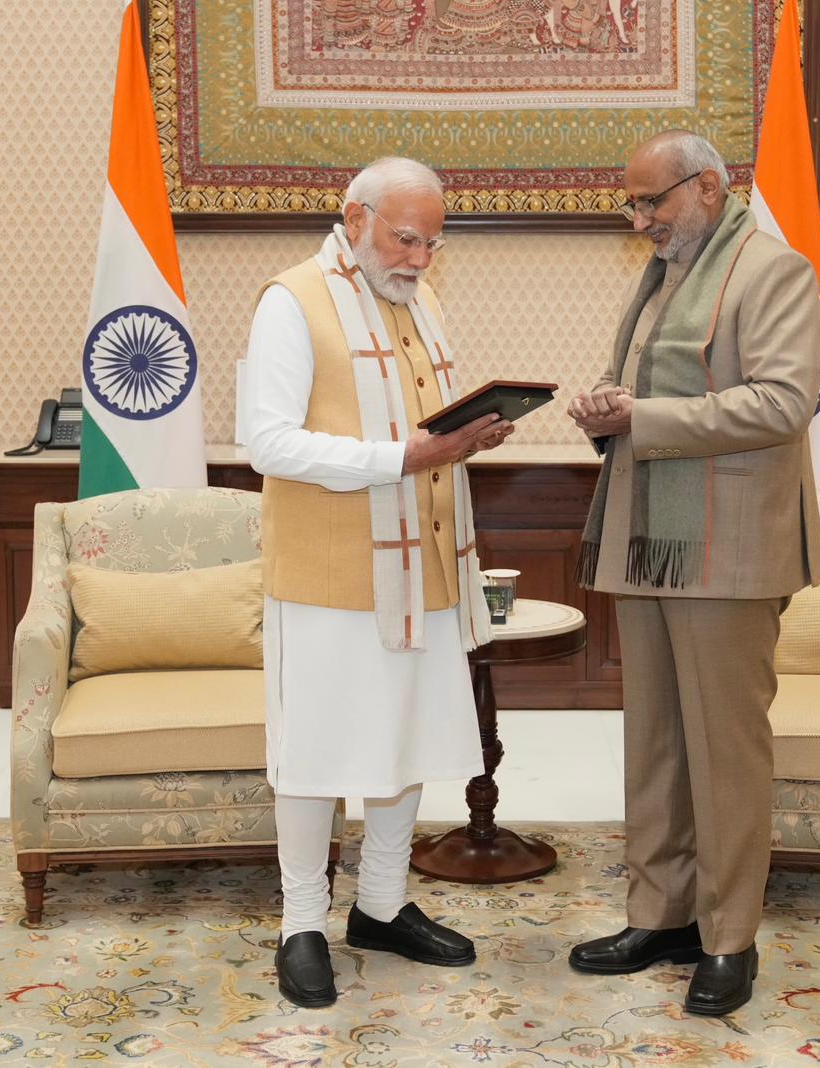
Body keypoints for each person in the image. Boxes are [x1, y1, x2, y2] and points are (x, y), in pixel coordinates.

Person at [564, 130, 820, 1016]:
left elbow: (783, 403)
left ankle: (729, 939)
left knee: (724, 753)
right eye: (632, 204)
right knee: (657, 745)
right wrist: (607, 406)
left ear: (708, 187)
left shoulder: (772, 272)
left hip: (730, 549)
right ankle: (662, 916)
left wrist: (642, 416)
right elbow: (646, 389)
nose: (641, 220)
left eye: (654, 201)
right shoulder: (662, 277)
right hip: (650, 539)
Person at [245, 156, 514, 1008]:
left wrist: (466, 436)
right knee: (315, 754)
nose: (420, 259)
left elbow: (423, 426)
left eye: (433, 244)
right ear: (354, 218)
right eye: (405, 239)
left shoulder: (418, 301)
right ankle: (300, 924)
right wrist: (407, 456)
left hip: (421, 566)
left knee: (404, 742)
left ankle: (383, 906)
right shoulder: (292, 301)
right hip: (327, 576)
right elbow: (268, 442)